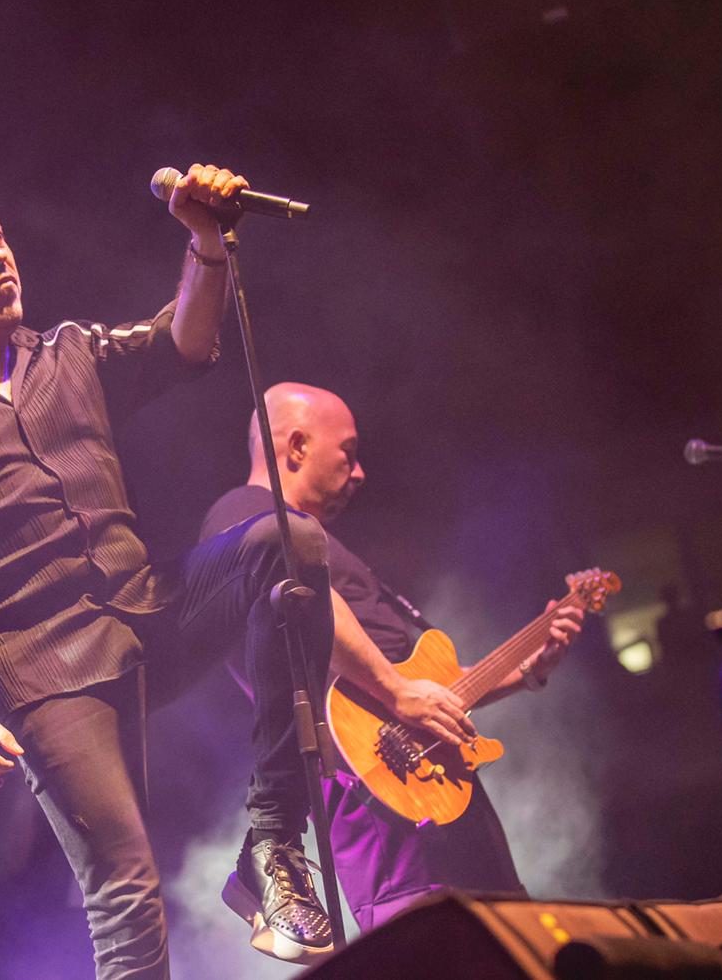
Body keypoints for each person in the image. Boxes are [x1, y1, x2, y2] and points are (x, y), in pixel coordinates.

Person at [0, 168, 474, 976]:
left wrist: (206, 242)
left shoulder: (69, 353)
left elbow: (184, 342)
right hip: (49, 677)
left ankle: (274, 841)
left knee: (285, 541)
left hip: (151, 615)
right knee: (128, 893)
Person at [200, 382, 586, 930]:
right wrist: (397, 691)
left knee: (505, 936)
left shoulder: (322, 543)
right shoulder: (244, 512)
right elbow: (304, 605)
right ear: (298, 446)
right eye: (348, 453)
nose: (359, 473)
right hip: (376, 781)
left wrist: (525, 672)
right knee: (428, 941)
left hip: (428, 774)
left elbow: (432, 690)